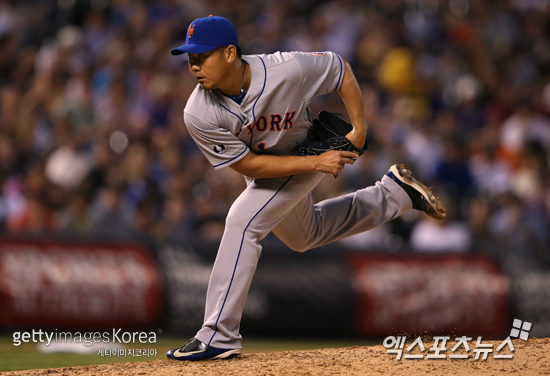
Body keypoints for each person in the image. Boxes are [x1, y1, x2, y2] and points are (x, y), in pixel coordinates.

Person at [166, 15, 446, 361]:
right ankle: (395, 193)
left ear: (229, 53)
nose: (194, 66)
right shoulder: (197, 112)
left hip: (305, 147)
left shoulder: (285, 69)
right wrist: (316, 164)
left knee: (242, 220)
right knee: (304, 236)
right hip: (286, 164)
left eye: (201, 56)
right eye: (190, 59)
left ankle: (218, 335)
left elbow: (340, 68)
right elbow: (249, 165)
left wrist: (358, 127)